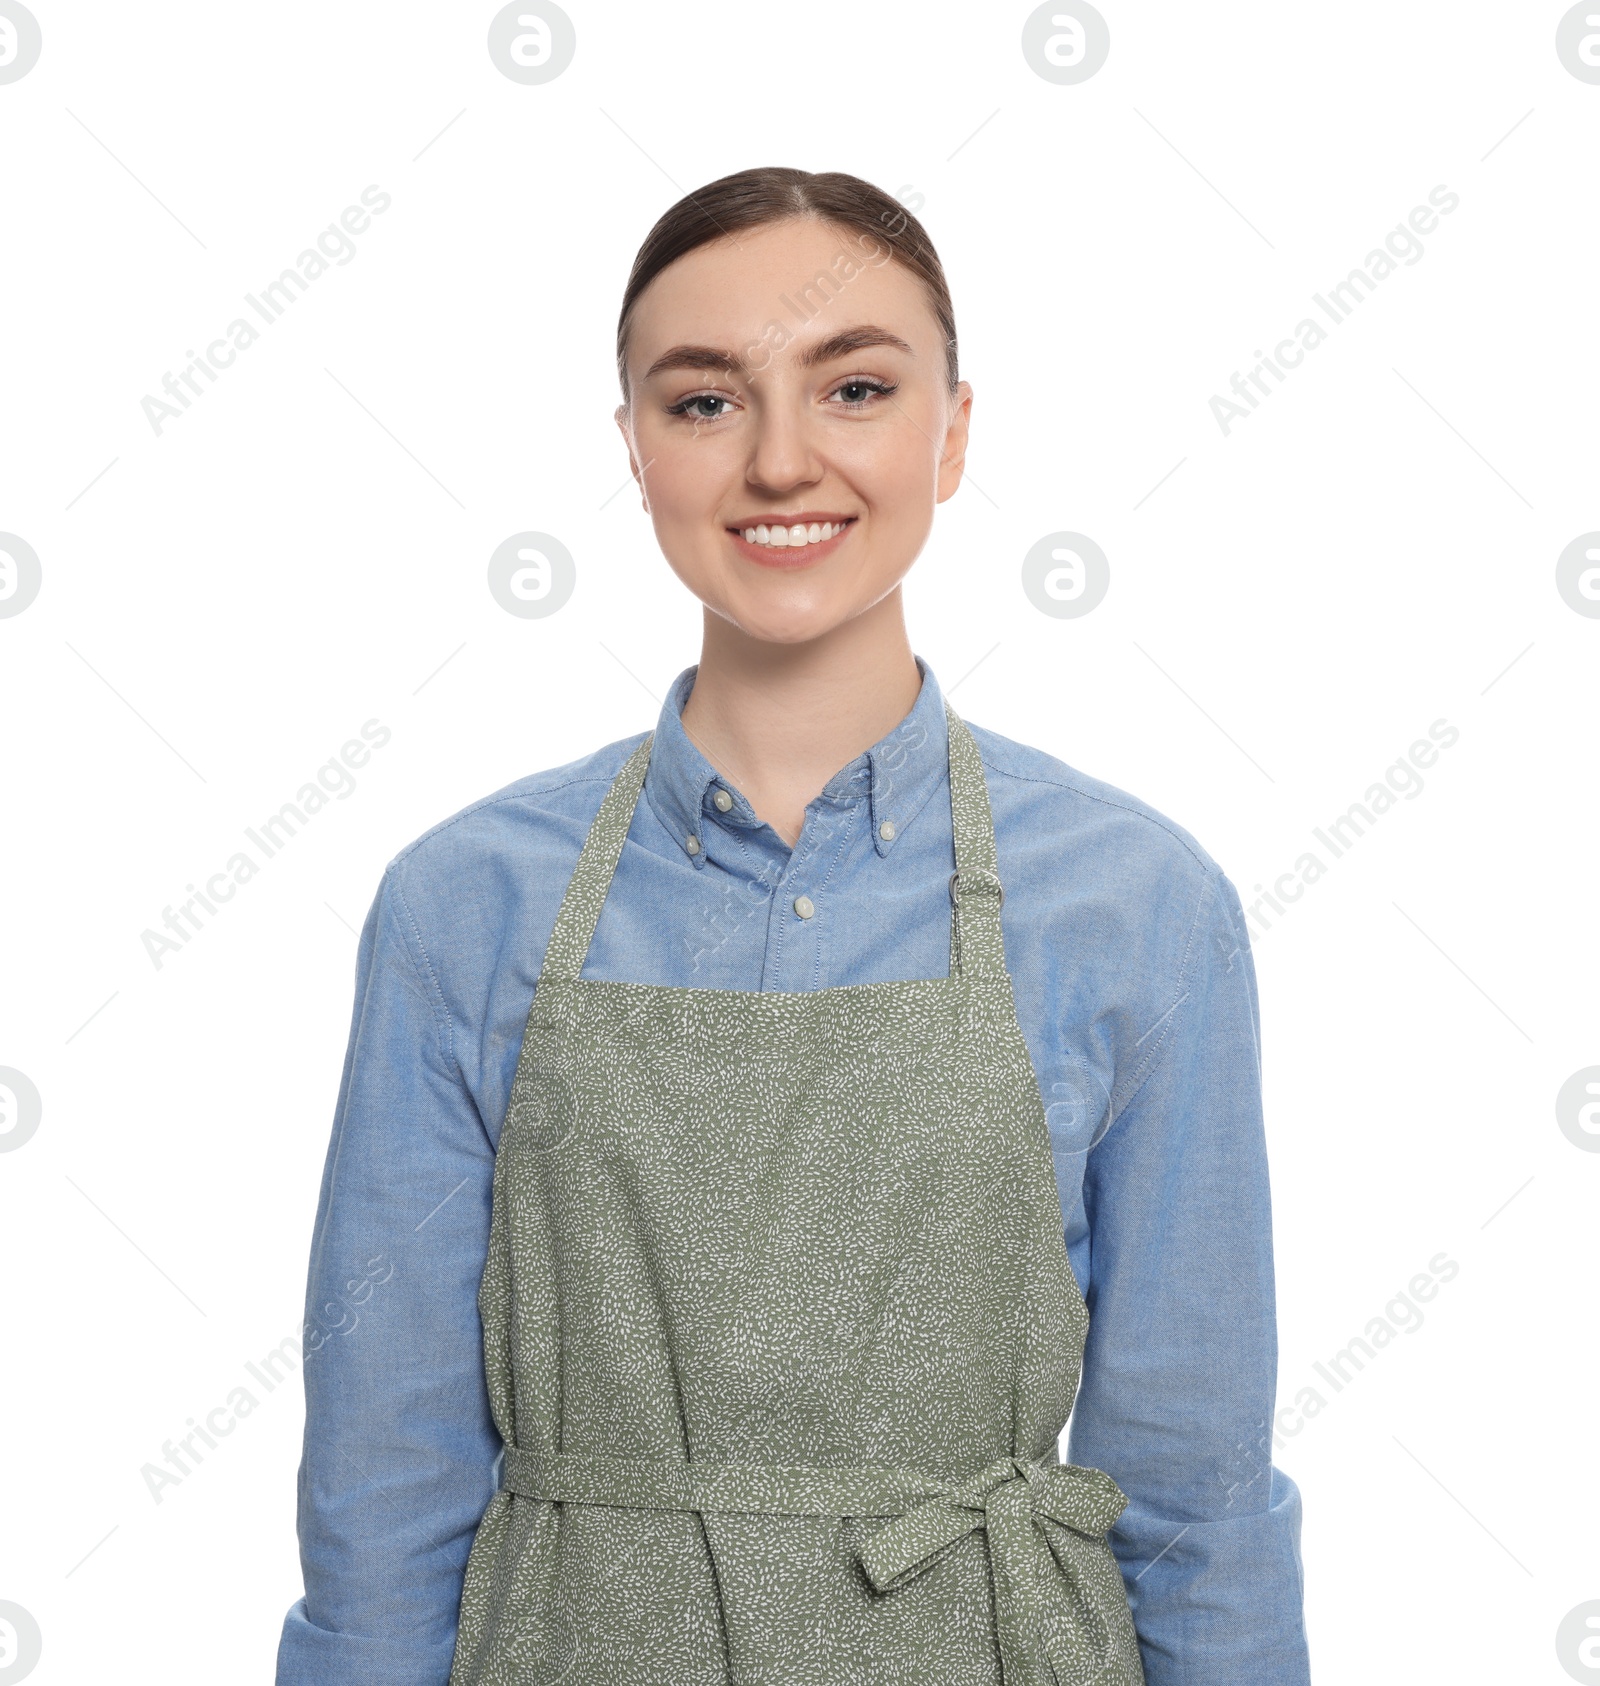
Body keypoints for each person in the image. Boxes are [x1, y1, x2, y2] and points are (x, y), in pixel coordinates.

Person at [274, 166, 1312, 1685]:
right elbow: (384, 1481)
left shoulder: (1139, 905)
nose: (780, 460)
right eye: (703, 402)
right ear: (631, 446)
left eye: (857, 387)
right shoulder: (461, 904)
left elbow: (1196, 1496)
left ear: (952, 432)